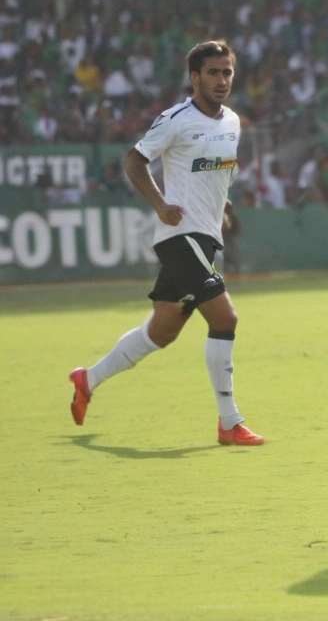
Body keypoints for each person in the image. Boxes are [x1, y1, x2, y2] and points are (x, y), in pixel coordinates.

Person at [68, 40, 263, 446]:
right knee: (225, 318)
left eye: (227, 72)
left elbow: (216, 170)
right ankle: (229, 423)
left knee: (162, 331)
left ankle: (88, 378)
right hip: (179, 236)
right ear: (194, 77)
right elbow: (135, 160)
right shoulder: (175, 119)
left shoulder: (232, 122)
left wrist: (222, 204)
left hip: (206, 236)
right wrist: (160, 204)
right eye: (213, 72)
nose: (222, 80)